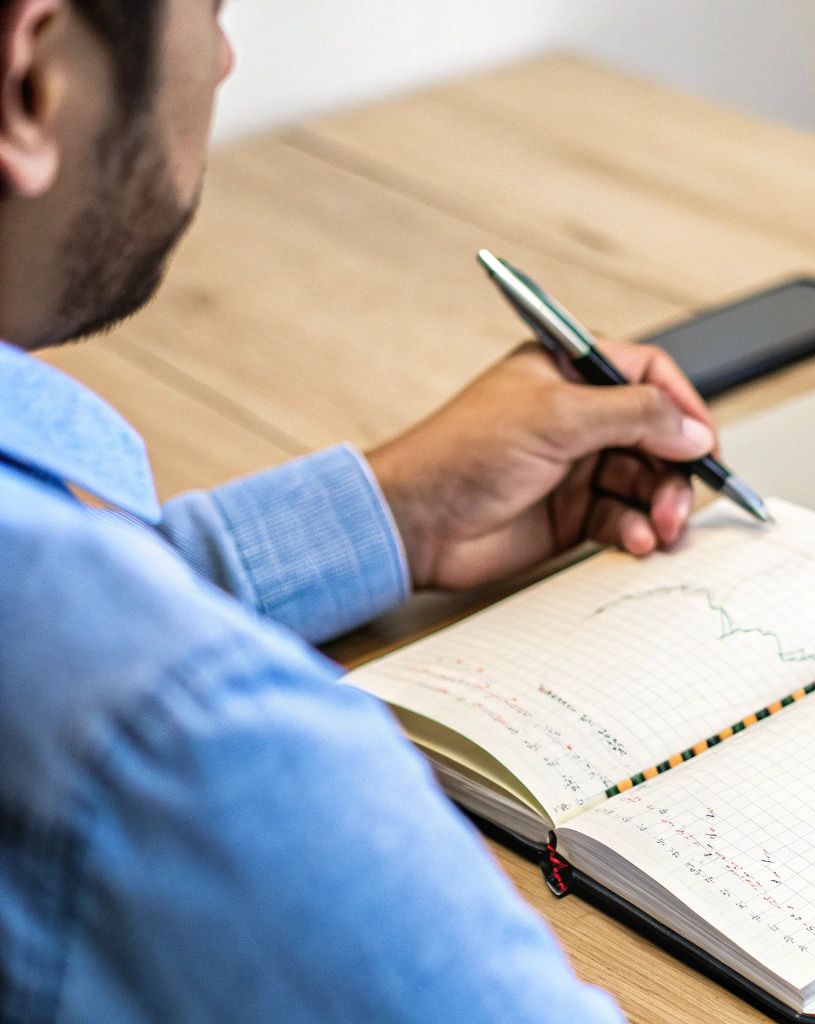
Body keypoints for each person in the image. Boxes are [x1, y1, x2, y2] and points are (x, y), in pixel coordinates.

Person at [0, 2, 706, 1019]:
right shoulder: (200, 747)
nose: (226, 57)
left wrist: (388, 514)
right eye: (210, 9)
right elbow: (122, 703)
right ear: (34, 81)